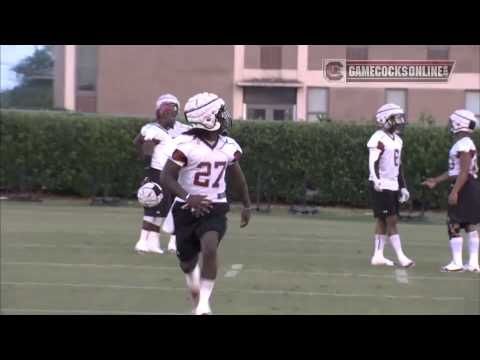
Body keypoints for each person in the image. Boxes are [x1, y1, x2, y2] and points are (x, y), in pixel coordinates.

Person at [161, 92, 252, 315]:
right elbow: (166, 177)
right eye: (221, 113)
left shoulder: (229, 145)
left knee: (210, 248)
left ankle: (203, 304)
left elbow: (237, 177)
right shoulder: (185, 144)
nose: (225, 116)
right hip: (186, 209)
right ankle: (192, 279)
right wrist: (187, 197)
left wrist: (247, 205)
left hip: (215, 206)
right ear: (208, 118)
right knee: (186, 262)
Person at [422, 109, 480, 273]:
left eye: (452, 121)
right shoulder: (465, 142)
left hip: (464, 186)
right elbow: (455, 170)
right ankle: (473, 264)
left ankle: (457, 263)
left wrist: (454, 192)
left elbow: (463, 171)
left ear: (458, 123)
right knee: (469, 224)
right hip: (469, 185)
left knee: (453, 224)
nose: (449, 124)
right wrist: (436, 180)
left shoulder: (463, 144)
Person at [367, 103, 414, 268]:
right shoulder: (378, 137)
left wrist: (403, 186)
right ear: (384, 119)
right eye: (396, 118)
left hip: (393, 184)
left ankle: (378, 256)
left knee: (382, 220)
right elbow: (372, 161)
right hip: (382, 184)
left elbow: (398, 166)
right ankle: (401, 257)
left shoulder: (398, 140)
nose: (399, 121)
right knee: (392, 220)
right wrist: (375, 179)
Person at [133, 93, 180, 254]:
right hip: (156, 173)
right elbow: (146, 145)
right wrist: (147, 172)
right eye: (171, 116)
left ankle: (152, 241)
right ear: (163, 114)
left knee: (161, 209)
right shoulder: (156, 130)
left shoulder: (156, 129)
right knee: (153, 207)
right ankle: (142, 241)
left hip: (164, 173)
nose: (174, 119)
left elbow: (136, 141)